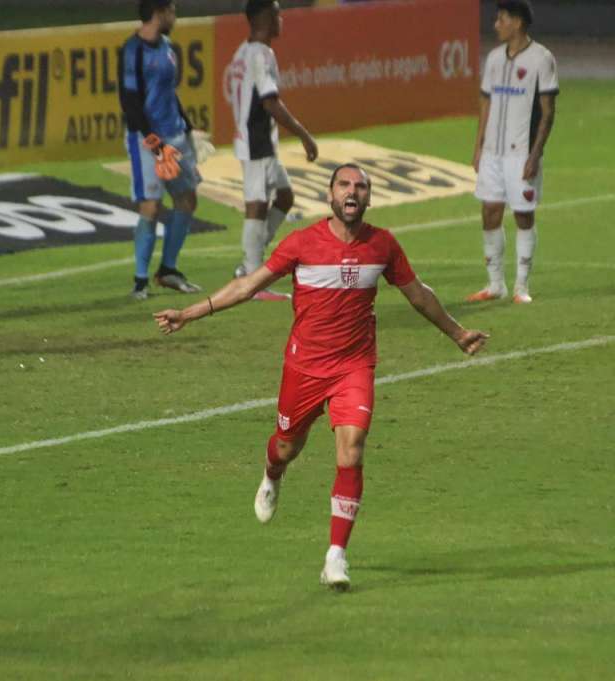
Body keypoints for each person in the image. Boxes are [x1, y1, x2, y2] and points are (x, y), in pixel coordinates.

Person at [153, 164, 489, 590]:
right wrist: (189, 313)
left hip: (354, 366)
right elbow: (247, 286)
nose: (353, 192)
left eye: (361, 187)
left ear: (368, 198)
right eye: (345, 185)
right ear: (330, 195)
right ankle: (273, 475)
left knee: (352, 448)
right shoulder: (302, 244)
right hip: (305, 368)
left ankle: (336, 556)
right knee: (287, 446)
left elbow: (418, 295)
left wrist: (458, 333)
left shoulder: (383, 245)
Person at [228, 0, 319, 301]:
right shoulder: (259, 55)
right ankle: (254, 279)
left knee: (284, 196)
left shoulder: (244, 51)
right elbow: (270, 102)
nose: (282, 18)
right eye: (277, 13)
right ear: (264, 17)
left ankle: (251, 262)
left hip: (252, 137)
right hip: (257, 142)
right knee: (256, 204)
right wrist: (304, 135)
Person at [469, 0, 558, 304]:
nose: (496, 25)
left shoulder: (542, 59)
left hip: (522, 152)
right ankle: (496, 285)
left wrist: (535, 155)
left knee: (523, 214)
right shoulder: (494, 59)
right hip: (493, 152)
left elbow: (547, 113)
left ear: (517, 23)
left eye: (501, 19)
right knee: (490, 211)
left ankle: (522, 286)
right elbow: (485, 104)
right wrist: (479, 146)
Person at [119, 0, 203, 301]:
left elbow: (168, 92)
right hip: (147, 142)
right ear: (160, 12)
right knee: (151, 206)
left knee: (186, 199)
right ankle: (140, 282)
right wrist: (155, 145)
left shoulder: (167, 46)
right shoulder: (133, 50)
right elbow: (130, 103)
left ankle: (168, 269)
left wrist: (189, 129)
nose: (175, 16)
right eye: (173, 10)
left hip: (175, 137)